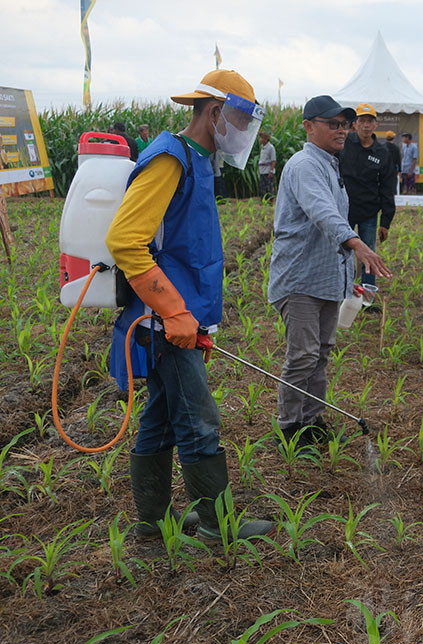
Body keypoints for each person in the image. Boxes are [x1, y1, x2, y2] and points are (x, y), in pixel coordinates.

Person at [105, 69, 272, 542]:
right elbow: (124, 240)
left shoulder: (198, 159)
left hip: (179, 319)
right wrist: (175, 311)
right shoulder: (170, 159)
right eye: (240, 121)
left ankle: (154, 524)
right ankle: (220, 528)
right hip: (162, 321)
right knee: (199, 421)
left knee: (160, 416)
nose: (243, 134)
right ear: (216, 113)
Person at [268, 95, 392, 443]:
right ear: (309, 127)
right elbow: (323, 212)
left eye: (344, 124)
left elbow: (332, 218)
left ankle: (312, 419)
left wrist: (348, 278)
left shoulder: (331, 164)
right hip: (300, 280)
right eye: (332, 124)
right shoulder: (304, 165)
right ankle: (290, 426)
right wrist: (357, 243)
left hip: (325, 278)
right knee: (304, 353)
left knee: (320, 352)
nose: (342, 131)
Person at [340, 103, 396, 303]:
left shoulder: (382, 153)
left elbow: (388, 187)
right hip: (343, 211)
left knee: (368, 255)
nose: (365, 125)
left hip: (369, 213)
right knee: (340, 253)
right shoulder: (344, 144)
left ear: (375, 125)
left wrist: (386, 221)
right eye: (362, 120)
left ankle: (367, 299)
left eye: (369, 121)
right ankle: (340, 293)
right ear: (355, 124)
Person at [257, 130, 277, 200]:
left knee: (269, 186)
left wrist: (271, 171)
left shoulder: (271, 148)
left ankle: (270, 200)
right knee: (262, 186)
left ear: (265, 139)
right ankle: (263, 200)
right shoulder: (262, 147)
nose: (260, 139)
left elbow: (273, 160)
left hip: (267, 170)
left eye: (262, 138)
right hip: (262, 170)